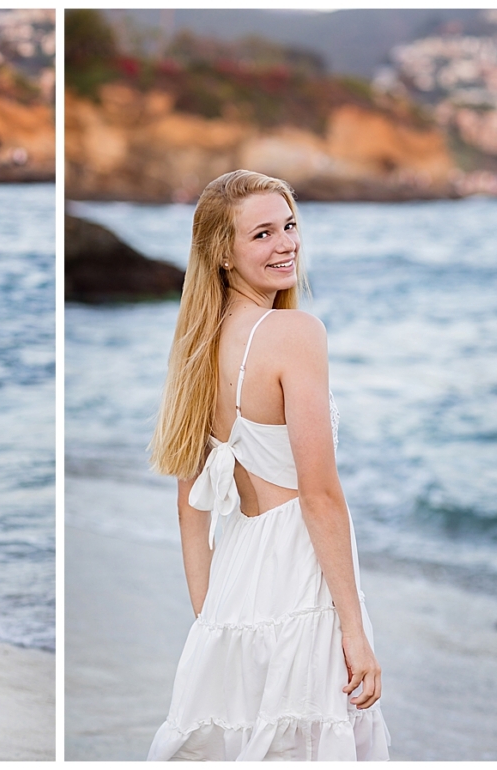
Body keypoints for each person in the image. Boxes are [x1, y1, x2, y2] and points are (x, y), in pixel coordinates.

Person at [146, 170, 390, 760]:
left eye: (289, 226)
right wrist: (354, 632)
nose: (285, 244)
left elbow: (190, 509)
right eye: (261, 234)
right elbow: (320, 497)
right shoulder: (295, 332)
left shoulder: (196, 346)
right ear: (223, 254)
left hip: (237, 571)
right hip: (302, 572)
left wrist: (211, 620)